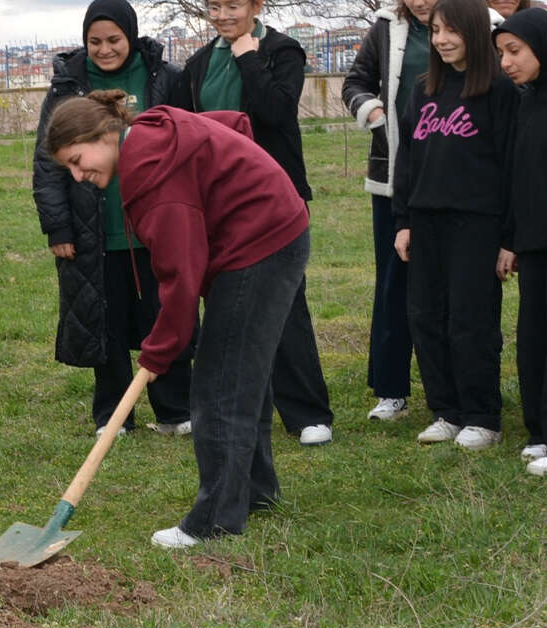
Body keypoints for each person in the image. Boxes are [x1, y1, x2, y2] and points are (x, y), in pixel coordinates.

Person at [45, 91, 310, 548]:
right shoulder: (148, 134)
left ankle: (216, 520)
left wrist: (159, 351)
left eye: (77, 159)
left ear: (104, 135)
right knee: (242, 375)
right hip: (269, 233)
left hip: (260, 245)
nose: (78, 175)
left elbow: (180, 278)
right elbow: (234, 123)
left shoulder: (150, 171)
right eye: (68, 169)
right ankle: (254, 492)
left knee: (219, 383)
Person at [171, 0, 335, 447]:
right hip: (218, 203)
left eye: (233, 5)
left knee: (284, 303)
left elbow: (275, 111)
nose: (222, 15)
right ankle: (241, 406)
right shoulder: (200, 63)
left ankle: (307, 412)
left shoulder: (283, 52)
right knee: (228, 302)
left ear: (256, 6)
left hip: (273, 198)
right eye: (213, 6)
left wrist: (248, 57)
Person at [33, 0, 192, 439]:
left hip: (156, 227)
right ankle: (113, 415)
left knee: (165, 315)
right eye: (95, 41)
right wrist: (58, 226)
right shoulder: (68, 85)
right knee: (105, 323)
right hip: (93, 231)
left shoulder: (164, 77)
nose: (104, 49)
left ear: (131, 36)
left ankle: (176, 409)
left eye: (113, 40)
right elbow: (47, 165)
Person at [392, 0, 517, 450]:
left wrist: (508, 236)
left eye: (453, 31)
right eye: (437, 31)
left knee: (471, 320)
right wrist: (403, 220)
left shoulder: (500, 91)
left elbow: (511, 167)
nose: (442, 39)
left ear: (473, 33)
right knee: (426, 317)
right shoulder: (425, 88)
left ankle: (482, 415)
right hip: (425, 220)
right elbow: (407, 160)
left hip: (477, 223)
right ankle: (446, 410)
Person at [342, 0, 433, 423]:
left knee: (452, 288)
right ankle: (392, 390)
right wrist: (372, 111)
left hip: (456, 176)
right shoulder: (384, 27)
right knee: (394, 283)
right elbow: (355, 82)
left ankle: (456, 390)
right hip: (393, 177)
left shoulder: (479, 23)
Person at [494, 8, 547, 474]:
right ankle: (540, 430)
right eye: (501, 53)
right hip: (536, 241)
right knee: (533, 337)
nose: (506, 63)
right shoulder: (527, 99)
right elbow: (519, 176)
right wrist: (512, 239)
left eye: (514, 52)